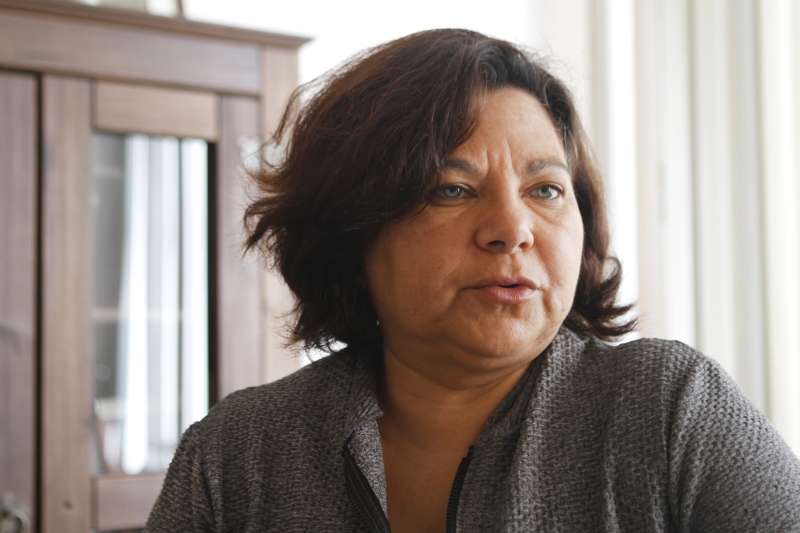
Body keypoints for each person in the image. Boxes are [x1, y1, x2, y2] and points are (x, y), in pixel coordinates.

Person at [145, 29, 800, 532]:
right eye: (452, 189)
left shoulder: (670, 410)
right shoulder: (237, 454)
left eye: (546, 189)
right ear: (354, 229)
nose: (512, 229)